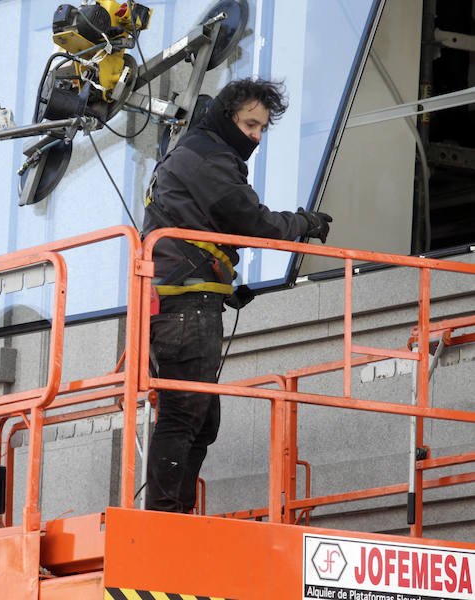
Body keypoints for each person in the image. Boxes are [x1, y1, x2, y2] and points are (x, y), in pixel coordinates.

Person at [141, 78, 332, 513]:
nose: (256, 137)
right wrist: (305, 224)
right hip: (186, 304)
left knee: (201, 419)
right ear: (227, 117)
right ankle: (167, 521)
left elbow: (211, 225)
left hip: (188, 298)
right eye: (250, 124)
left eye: (262, 128)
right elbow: (252, 221)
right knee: (185, 413)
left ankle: (174, 516)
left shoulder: (194, 153)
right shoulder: (206, 157)